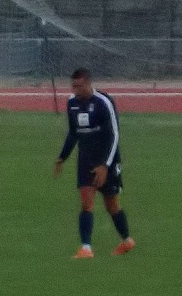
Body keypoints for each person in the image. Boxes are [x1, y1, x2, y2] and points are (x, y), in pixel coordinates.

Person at [54, 67, 135, 259]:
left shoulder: (103, 102)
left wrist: (105, 165)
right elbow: (73, 132)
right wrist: (62, 157)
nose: (75, 90)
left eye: (79, 86)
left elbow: (114, 135)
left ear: (88, 84)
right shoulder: (71, 103)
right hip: (86, 159)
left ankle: (127, 240)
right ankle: (86, 248)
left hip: (107, 160)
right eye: (73, 86)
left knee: (112, 206)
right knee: (86, 203)